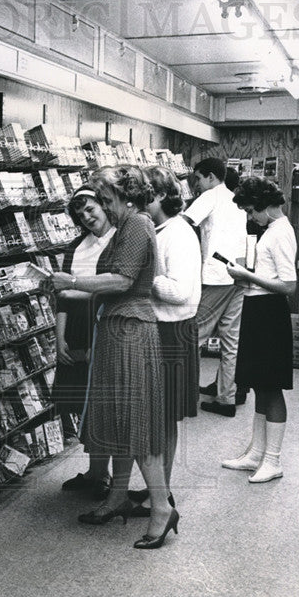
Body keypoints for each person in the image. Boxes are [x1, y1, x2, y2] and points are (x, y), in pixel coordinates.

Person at [50, 165, 178, 549]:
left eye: (106, 199)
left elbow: (122, 281)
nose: (103, 207)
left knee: (137, 426)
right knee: (124, 424)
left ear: (126, 195)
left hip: (130, 334)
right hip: (117, 329)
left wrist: (71, 281)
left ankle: (161, 508)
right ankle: (119, 496)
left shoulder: (137, 225)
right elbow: (110, 288)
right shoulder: (128, 227)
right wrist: (62, 290)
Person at [125, 165, 201, 516]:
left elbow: (181, 291)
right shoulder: (161, 229)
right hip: (162, 330)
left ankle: (164, 493)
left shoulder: (178, 234)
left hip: (173, 332)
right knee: (160, 416)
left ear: (155, 195)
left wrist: (147, 274)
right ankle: (161, 489)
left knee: (164, 416)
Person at [221, 177, 298, 483]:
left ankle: (273, 460)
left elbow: (288, 285)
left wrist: (246, 275)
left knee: (272, 387)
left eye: (252, 210)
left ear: (266, 204)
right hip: (258, 307)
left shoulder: (281, 232)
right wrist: (248, 277)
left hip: (270, 312)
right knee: (258, 385)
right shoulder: (271, 230)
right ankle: (257, 454)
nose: (250, 217)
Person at [52, 185, 116, 499]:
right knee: (82, 401)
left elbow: (113, 289)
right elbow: (62, 298)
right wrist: (59, 338)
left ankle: (103, 475)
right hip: (76, 328)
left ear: (105, 205)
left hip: (102, 325)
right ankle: (95, 470)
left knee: (101, 403)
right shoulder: (76, 246)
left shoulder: (119, 242)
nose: (88, 217)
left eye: (91, 209)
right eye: (81, 214)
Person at [182, 157, 247, 417]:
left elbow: (183, 224)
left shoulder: (211, 196)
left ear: (210, 177)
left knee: (191, 337)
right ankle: (226, 399)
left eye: (197, 178)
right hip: (239, 276)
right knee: (231, 342)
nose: (196, 185)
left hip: (216, 276)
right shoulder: (235, 200)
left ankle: (185, 398)